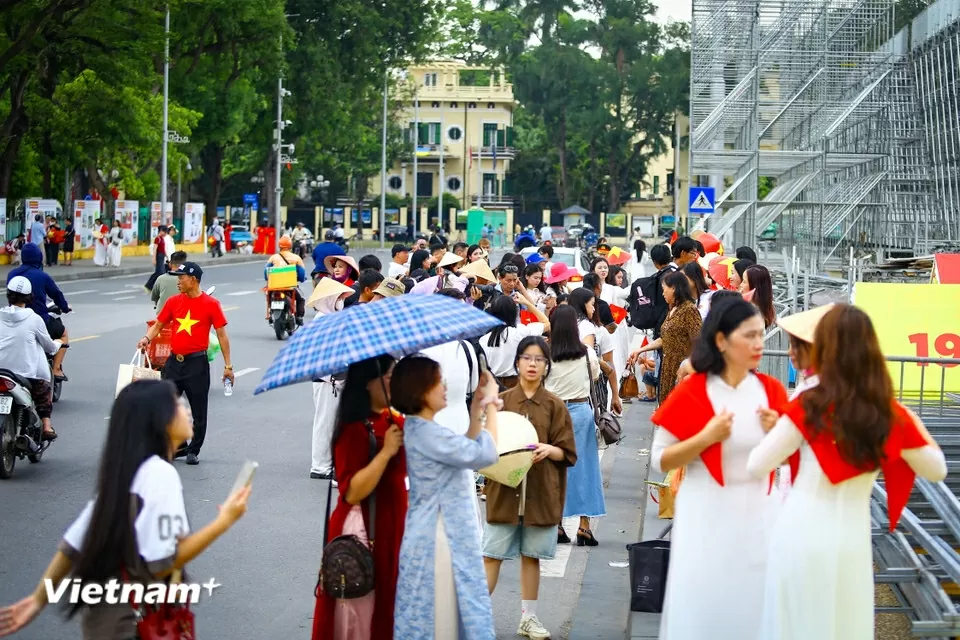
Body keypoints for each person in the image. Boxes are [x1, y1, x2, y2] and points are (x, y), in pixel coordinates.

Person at [746, 305, 947, 640]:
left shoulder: (808, 402)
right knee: (845, 627)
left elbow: (757, 465)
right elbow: (936, 469)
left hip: (798, 531)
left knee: (792, 626)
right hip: (852, 541)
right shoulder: (889, 414)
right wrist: (905, 415)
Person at [0, 380, 251, 640]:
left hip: (103, 625)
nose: (187, 410)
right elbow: (163, 563)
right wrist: (224, 521)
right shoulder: (160, 473)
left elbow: (71, 547)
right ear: (158, 419)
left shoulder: (126, 475)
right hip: (133, 625)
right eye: (178, 404)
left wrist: (37, 600)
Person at [650, 297, 788, 640]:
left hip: (759, 515)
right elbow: (660, 459)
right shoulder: (694, 390)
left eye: (761, 334)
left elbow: (788, 458)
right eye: (749, 336)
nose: (759, 344)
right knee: (702, 607)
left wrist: (779, 435)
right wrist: (704, 438)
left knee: (751, 610)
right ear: (722, 340)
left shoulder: (770, 391)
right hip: (706, 513)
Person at [392, 355, 499, 639]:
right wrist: (492, 407)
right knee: (442, 622)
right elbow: (485, 455)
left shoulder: (423, 430)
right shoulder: (429, 434)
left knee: (437, 617)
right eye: (438, 381)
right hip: (439, 536)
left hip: (435, 531)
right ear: (421, 390)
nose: (445, 387)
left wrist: (477, 407)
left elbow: (465, 446)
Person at [484, 336, 575, 639]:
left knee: (530, 556)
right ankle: (477, 616)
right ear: (518, 361)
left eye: (539, 359)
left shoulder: (555, 405)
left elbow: (567, 452)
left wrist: (549, 450)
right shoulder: (503, 401)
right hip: (504, 489)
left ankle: (529, 617)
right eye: (527, 358)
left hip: (539, 491)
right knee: (491, 554)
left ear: (547, 366)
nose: (532, 364)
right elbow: (486, 446)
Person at [311, 355, 406, 640]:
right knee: (360, 616)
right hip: (364, 528)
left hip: (391, 524)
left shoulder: (392, 418)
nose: (394, 382)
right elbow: (352, 490)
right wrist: (387, 452)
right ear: (369, 383)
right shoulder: (354, 428)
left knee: (387, 608)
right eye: (389, 376)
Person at [137, 263, 233, 465]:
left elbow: (222, 336)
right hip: (174, 362)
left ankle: (194, 450)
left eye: (181, 278)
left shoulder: (211, 304)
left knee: (199, 410)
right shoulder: (173, 302)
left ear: (194, 280)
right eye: (177, 277)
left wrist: (228, 366)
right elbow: (158, 325)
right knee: (167, 406)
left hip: (197, 364)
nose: (178, 281)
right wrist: (146, 339)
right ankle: (180, 446)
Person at [543, 307, 603, 548]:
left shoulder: (545, 354)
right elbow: (595, 377)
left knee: (555, 468)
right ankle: (584, 526)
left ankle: (556, 524)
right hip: (580, 413)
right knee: (585, 468)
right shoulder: (586, 353)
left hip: (552, 414)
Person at [0, 277, 60, 440]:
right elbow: (49, 347)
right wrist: (59, 343)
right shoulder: (34, 319)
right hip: (25, 374)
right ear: (29, 297)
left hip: (1, 371)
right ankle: (47, 426)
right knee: (43, 389)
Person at [628, 271, 702, 403]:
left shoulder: (689, 310)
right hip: (667, 366)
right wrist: (640, 350)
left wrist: (689, 368)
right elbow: (664, 338)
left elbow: (700, 342)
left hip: (681, 368)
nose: (663, 294)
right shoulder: (673, 309)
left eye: (664, 290)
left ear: (674, 288)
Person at [308, 279, 356, 480]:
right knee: (325, 422)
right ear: (330, 299)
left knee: (333, 423)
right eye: (339, 297)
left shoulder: (332, 317)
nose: (343, 300)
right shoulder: (323, 320)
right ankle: (320, 466)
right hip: (327, 379)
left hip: (334, 378)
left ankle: (327, 462)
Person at [6, 243, 71, 379]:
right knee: (63, 334)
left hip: (11, 317)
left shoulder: (12, 274)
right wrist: (65, 307)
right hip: (41, 318)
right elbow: (56, 294)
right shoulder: (42, 276)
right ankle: (56, 369)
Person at [479, 293, 550, 390]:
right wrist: (527, 303)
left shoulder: (483, 340)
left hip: (492, 387)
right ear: (514, 313)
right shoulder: (521, 332)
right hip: (516, 386)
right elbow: (546, 323)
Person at [264, 235, 307, 324]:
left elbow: (266, 272)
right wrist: (302, 279)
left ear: (279, 246)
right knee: (301, 298)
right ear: (290, 246)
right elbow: (302, 274)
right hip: (289, 287)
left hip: (274, 286)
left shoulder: (273, 257)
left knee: (268, 296)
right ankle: (299, 317)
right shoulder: (296, 258)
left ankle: (271, 312)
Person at [145, 225, 169, 291]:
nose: (166, 234)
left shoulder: (162, 238)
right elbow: (155, 249)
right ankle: (149, 285)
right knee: (160, 272)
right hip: (158, 256)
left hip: (162, 256)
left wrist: (167, 256)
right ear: (161, 231)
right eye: (165, 232)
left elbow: (163, 249)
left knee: (160, 272)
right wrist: (154, 258)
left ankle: (152, 285)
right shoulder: (157, 238)